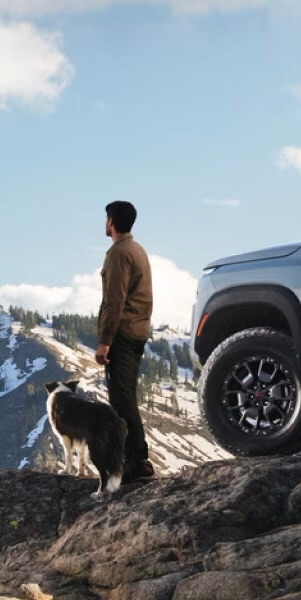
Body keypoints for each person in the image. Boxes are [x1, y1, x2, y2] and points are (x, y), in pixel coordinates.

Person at [95, 200, 155, 482]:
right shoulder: (137, 250)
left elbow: (114, 300)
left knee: (121, 399)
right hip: (137, 331)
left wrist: (105, 341)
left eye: (106, 218)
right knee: (124, 395)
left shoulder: (119, 253)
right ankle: (135, 459)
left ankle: (136, 461)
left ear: (111, 221)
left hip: (123, 333)